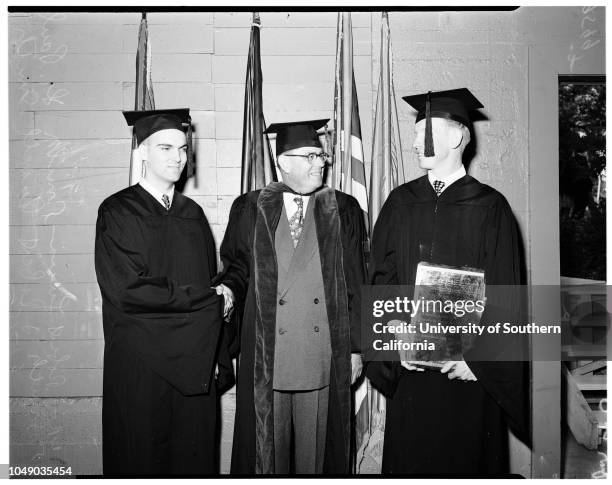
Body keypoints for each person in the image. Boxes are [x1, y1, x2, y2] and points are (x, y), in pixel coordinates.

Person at [365, 89, 528, 476]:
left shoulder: (491, 207)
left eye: (426, 132)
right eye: (415, 133)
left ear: (456, 137)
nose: (414, 142)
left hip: (468, 378)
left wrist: (480, 360)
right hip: (414, 375)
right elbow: (381, 284)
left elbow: (508, 295)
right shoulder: (400, 203)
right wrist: (393, 337)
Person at [217, 119, 367, 474]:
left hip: (322, 354)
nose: (321, 162)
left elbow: (357, 283)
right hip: (269, 354)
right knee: (268, 457)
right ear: (283, 161)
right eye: (311, 156)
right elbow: (237, 267)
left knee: (317, 459)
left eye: (322, 155)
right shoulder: (250, 207)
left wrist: (358, 348)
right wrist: (225, 287)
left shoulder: (342, 208)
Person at [95, 109, 233, 476]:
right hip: (142, 363)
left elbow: (212, 282)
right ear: (141, 152)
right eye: (165, 148)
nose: (177, 157)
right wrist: (208, 298)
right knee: (141, 457)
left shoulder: (193, 214)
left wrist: (218, 356)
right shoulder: (119, 210)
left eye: (183, 149)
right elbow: (127, 290)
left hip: (194, 362)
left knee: (194, 457)